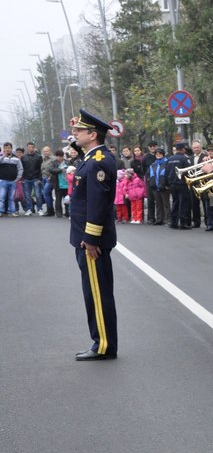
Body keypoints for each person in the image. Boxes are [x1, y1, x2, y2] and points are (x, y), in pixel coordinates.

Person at [68, 110, 119, 360]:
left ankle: (103, 346)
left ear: (92, 135)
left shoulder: (98, 161)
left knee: (97, 295)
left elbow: (98, 203)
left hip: (91, 242)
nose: (74, 133)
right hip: (86, 238)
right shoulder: (93, 158)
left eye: (79, 130)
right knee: (95, 292)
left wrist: (90, 239)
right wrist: (75, 142)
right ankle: (102, 343)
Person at [165, 142, 191, 229]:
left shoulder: (169, 159)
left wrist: (167, 183)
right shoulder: (185, 159)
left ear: (176, 149)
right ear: (183, 149)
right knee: (183, 203)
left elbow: (166, 172)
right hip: (182, 184)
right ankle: (183, 223)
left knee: (175, 203)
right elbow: (188, 171)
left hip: (172, 184)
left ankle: (174, 222)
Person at [20, 142, 44, 216]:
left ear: (34, 148)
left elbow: (41, 169)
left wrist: (40, 179)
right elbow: (21, 169)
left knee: (38, 195)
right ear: (27, 148)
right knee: (27, 196)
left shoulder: (39, 157)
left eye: (32, 147)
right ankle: (29, 209)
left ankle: (40, 209)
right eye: (29, 147)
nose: (31, 148)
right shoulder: (23, 157)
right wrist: (21, 179)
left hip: (36, 178)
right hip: (26, 179)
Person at [0, 142, 23, 217]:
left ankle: (12, 211)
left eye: (9, 148)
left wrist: (18, 178)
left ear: (11, 149)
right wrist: (3, 156)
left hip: (13, 181)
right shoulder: (1, 158)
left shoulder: (16, 159)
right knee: (2, 197)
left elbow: (20, 169)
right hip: (2, 180)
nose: (7, 149)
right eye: (6, 148)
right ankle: (1, 211)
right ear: (4, 149)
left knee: (12, 198)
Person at [148, 148, 170, 225]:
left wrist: (167, 185)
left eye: (160, 154)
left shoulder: (167, 163)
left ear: (163, 154)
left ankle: (168, 219)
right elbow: (150, 175)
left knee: (166, 204)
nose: (158, 155)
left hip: (164, 187)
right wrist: (152, 184)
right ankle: (159, 219)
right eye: (157, 154)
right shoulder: (153, 164)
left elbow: (168, 175)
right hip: (155, 187)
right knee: (158, 204)